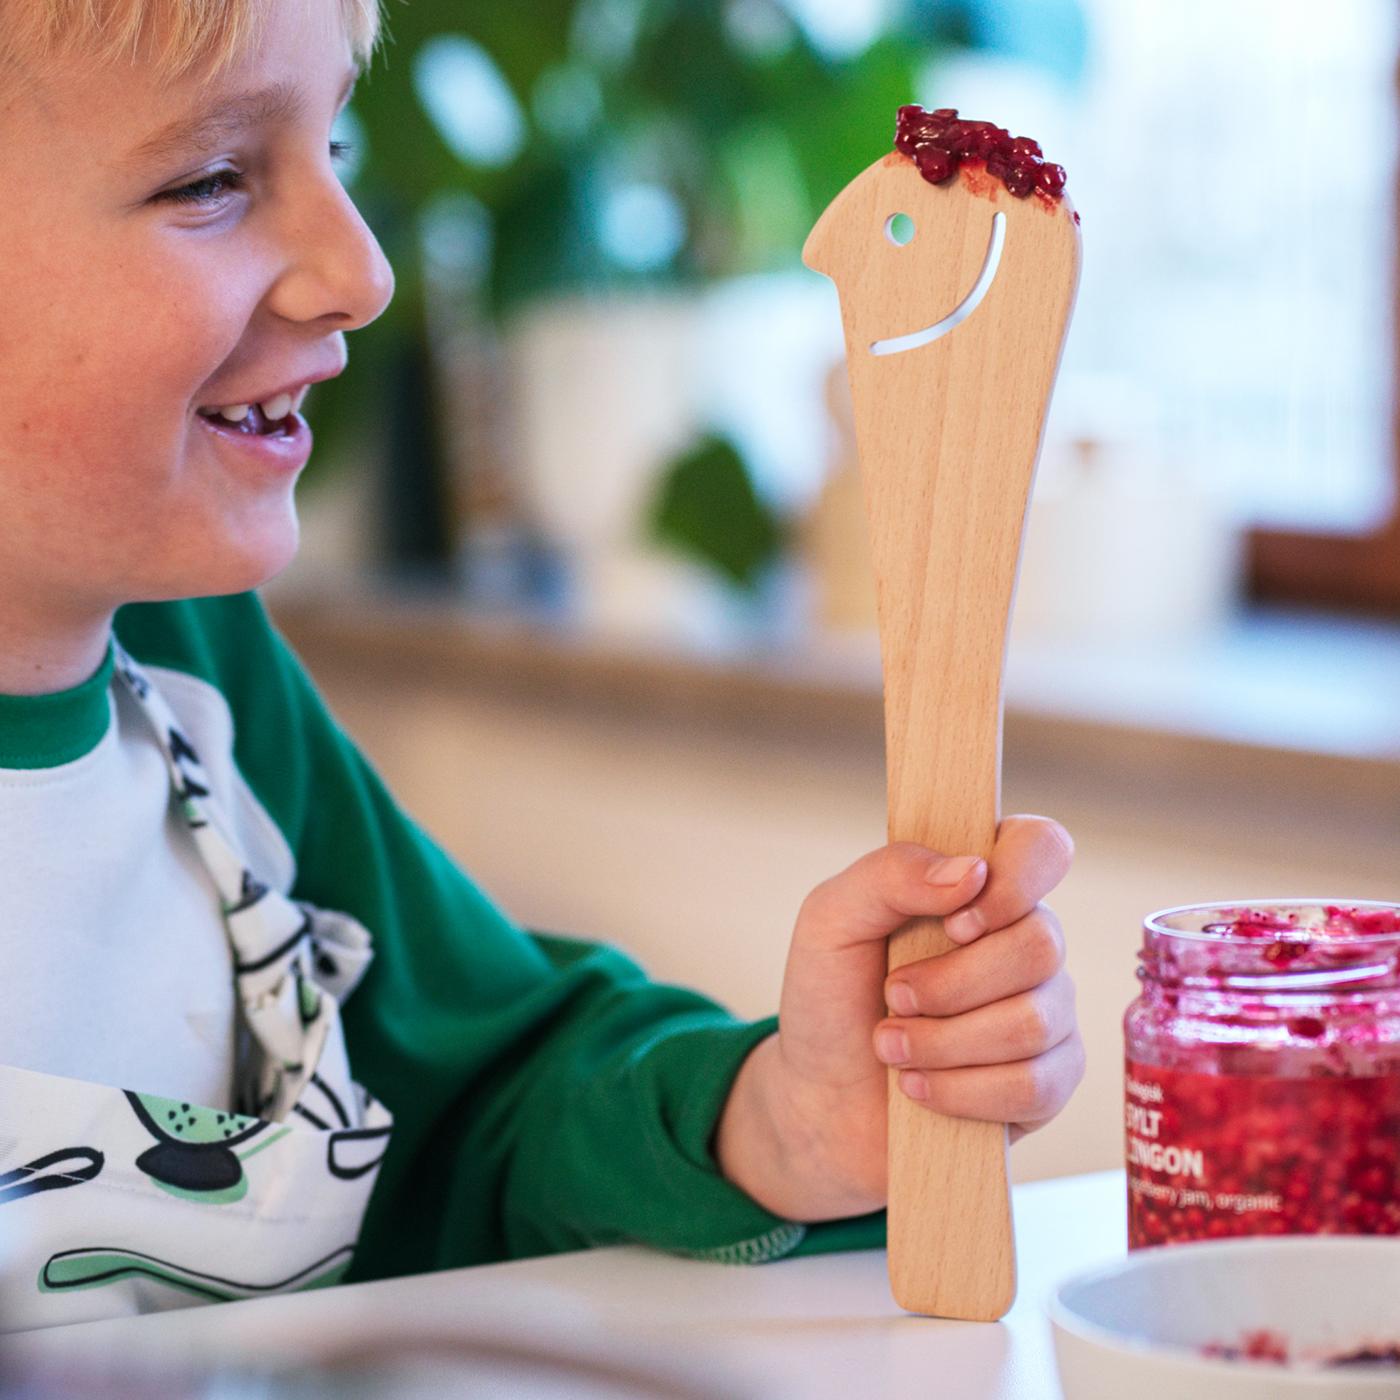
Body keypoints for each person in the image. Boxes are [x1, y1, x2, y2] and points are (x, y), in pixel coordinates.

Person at [0, 0, 1084, 1330]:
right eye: (212, 180)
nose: (362, 269)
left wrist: (779, 1122)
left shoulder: (195, 673)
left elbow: (477, 1103)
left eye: (333, 150)